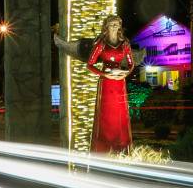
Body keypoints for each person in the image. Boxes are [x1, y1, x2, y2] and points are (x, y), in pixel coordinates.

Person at [57, 16, 140, 153]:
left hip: (119, 82)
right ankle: (103, 148)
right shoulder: (101, 43)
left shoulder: (124, 43)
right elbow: (90, 64)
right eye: (111, 24)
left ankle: (122, 148)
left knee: (120, 115)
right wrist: (105, 74)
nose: (114, 27)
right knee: (106, 115)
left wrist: (125, 73)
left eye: (116, 24)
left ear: (120, 26)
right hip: (106, 83)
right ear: (106, 26)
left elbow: (131, 64)